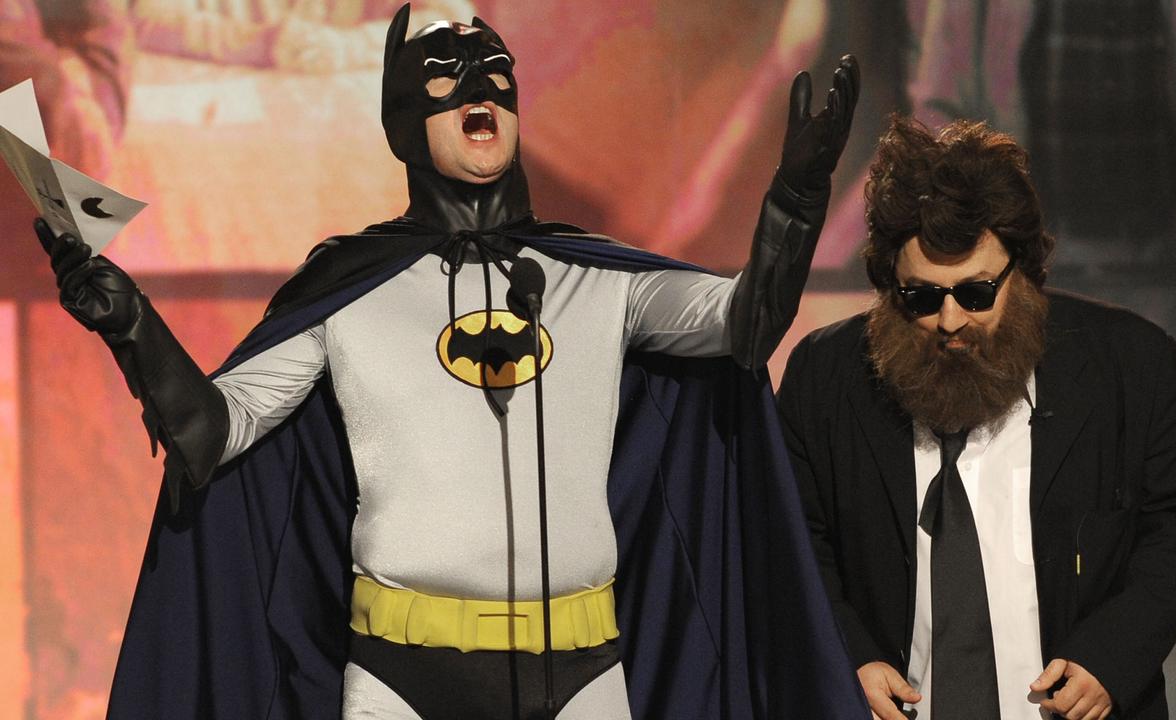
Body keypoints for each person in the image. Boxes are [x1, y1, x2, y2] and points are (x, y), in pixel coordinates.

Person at [35, 6, 869, 720]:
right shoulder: (347, 289)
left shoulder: (596, 278)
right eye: (445, 72)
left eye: (496, 70)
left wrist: (794, 198)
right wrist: (130, 322)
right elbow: (211, 432)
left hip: (584, 675)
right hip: (402, 681)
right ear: (403, 121)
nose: (479, 86)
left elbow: (744, 324)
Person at [776, 115, 1176, 720]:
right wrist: (847, 656)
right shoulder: (825, 375)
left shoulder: (1131, 363)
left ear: (1024, 275)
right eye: (921, 297)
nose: (950, 320)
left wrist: (1111, 658)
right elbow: (790, 535)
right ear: (889, 287)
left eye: (976, 292)